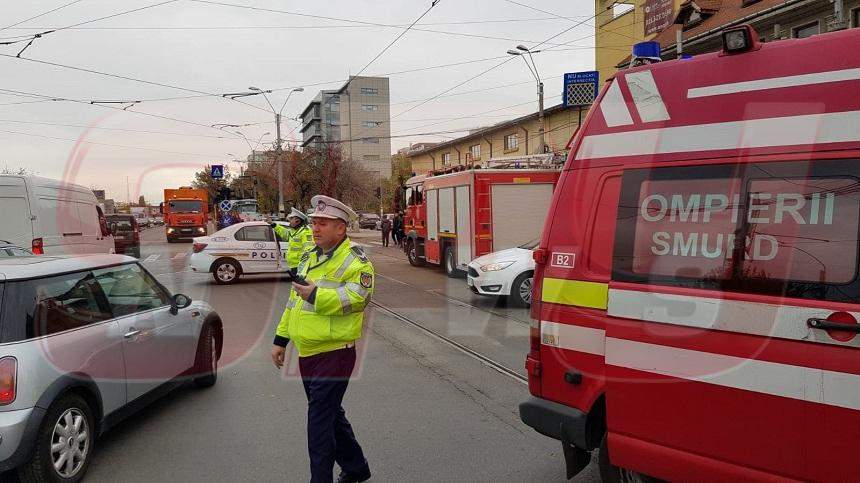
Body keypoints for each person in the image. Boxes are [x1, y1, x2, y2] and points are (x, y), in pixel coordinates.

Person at [271, 195, 374, 483]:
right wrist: (281, 339)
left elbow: (358, 299)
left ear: (341, 228)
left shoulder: (357, 261)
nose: (315, 228)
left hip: (336, 353)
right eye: (314, 222)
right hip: (308, 353)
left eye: (322, 223)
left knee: (319, 423)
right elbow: (294, 302)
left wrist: (317, 295)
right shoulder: (309, 256)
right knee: (329, 415)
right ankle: (356, 468)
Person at [272, 207, 315, 275]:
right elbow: (285, 234)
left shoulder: (306, 232)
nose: (289, 221)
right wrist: (274, 225)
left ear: (297, 221)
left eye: (291, 219)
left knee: (300, 284)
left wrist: (303, 267)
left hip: (301, 266)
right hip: (294, 265)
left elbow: (309, 250)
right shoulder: (294, 231)